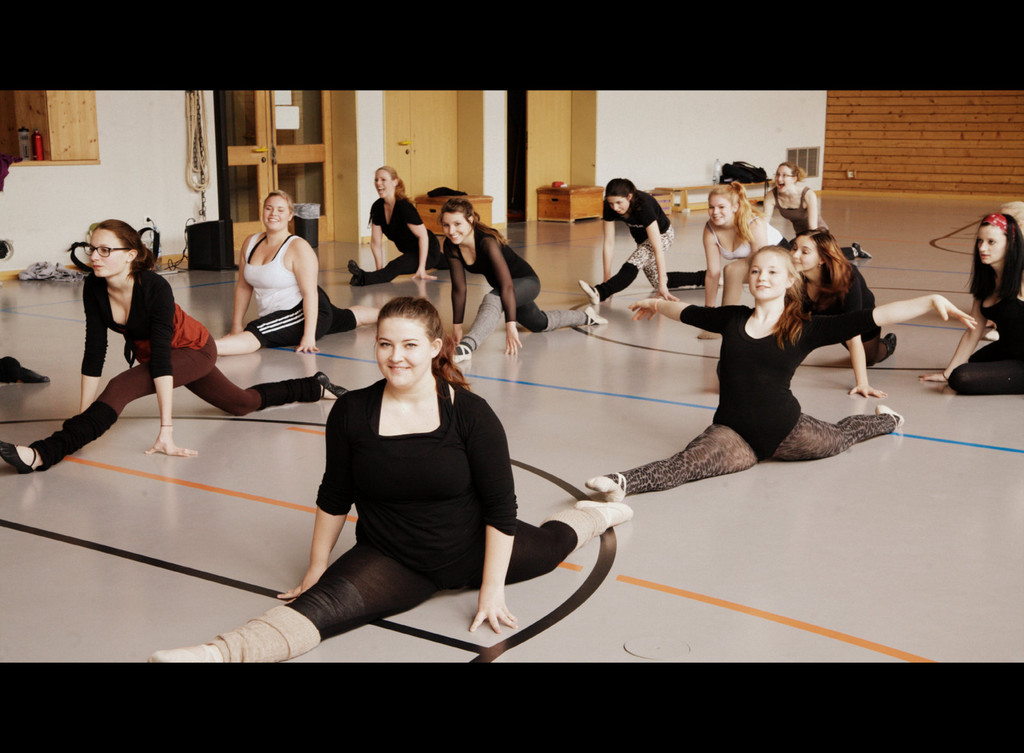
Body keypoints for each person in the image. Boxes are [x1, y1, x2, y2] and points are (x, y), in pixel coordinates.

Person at [148, 296, 633, 662]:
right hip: (392, 558)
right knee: (322, 609)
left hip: (473, 548)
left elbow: (501, 508)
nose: (395, 356)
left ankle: (596, 514)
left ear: (435, 348)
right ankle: (216, 654)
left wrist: (492, 588)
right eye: (385, 344)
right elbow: (334, 496)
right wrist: (316, 569)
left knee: (552, 547)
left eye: (409, 345)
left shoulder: (471, 414)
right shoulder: (352, 412)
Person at [584, 246, 975, 503]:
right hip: (733, 435)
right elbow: (685, 312)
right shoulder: (732, 318)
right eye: (756, 270)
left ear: (790, 280)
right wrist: (655, 303)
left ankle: (886, 421)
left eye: (772, 271)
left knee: (841, 437)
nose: (761, 277)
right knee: (687, 463)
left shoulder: (805, 328)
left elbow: (875, 316)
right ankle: (622, 482)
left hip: (789, 430)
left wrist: (930, 301)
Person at [0, 220, 347, 474]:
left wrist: (166, 431)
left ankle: (40, 455)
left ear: (130, 255)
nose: (95, 256)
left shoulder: (154, 288)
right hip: (159, 355)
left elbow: (164, 360)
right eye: (92, 248)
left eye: (105, 250)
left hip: (195, 350)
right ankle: (313, 386)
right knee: (241, 403)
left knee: (120, 386)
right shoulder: (94, 286)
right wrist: (84, 414)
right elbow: (95, 350)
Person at [441, 197, 607, 362]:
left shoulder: (486, 242)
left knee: (493, 299)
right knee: (538, 323)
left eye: (457, 224)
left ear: (470, 220)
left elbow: (507, 285)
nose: (451, 231)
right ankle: (585, 317)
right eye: (446, 225)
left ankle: (467, 347)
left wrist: (510, 324)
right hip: (507, 290)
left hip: (527, 282)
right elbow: (459, 288)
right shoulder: (451, 246)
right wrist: (457, 327)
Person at [216, 191, 377, 356]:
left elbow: (310, 294)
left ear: (290, 215)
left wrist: (308, 336)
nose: (273, 214)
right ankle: (390, 313)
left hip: (304, 309)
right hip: (296, 310)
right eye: (269, 208)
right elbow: (243, 287)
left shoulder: (298, 247)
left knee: (257, 331)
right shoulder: (250, 242)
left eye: (280, 210)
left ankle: (208, 348)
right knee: (350, 318)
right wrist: (236, 326)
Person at [920, 212, 1024, 394]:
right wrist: (947, 373)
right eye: (980, 241)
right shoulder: (987, 281)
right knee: (970, 363)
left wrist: (953, 375)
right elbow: (973, 331)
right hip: (1008, 349)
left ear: (1010, 244)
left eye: (991, 242)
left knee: (962, 377)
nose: (982, 248)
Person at [792, 228, 896, 398]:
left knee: (870, 358)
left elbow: (853, 334)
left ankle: (888, 345)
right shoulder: (793, 276)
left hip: (858, 318)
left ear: (822, 259)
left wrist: (862, 384)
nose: (795, 255)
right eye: (794, 248)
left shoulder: (847, 276)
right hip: (825, 319)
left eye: (804, 252)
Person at [578, 178, 704, 306]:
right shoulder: (609, 207)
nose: (615, 207)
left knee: (634, 262)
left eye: (619, 202)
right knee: (656, 281)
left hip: (662, 235)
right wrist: (607, 278)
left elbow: (657, 247)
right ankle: (704, 277)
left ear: (629, 197)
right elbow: (609, 242)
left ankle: (600, 292)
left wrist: (663, 286)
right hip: (643, 240)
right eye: (611, 203)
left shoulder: (644, 205)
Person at [695, 182, 784, 339]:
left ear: (735, 207)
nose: (715, 212)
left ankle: (725, 324)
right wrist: (709, 313)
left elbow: (761, 261)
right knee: (730, 270)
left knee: (733, 270)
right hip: (757, 260)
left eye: (721, 207)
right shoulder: (710, 229)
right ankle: (720, 322)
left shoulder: (753, 223)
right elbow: (713, 273)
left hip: (779, 258)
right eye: (711, 207)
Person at [347, 167, 449, 286]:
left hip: (428, 249)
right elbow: (376, 242)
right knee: (449, 262)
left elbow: (423, 236)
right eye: (376, 180)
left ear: (395, 182)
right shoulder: (377, 207)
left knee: (396, 265)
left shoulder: (404, 207)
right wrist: (380, 271)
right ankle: (460, 261)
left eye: (383, 179)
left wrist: (421, 269)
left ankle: (361, 278)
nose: (378, 183)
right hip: (410, 251)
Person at [762, 162, 870, 259]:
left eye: (784, 175)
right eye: (777, 174)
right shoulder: (771, 196)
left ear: (794, 179)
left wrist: (804, 246)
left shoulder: (807, 194)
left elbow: (812, 229)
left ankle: (854, 250)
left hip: (818, 232)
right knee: (789, 254)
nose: (779, 179)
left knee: (821, 257)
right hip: (800, 234)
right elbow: (764, 224)